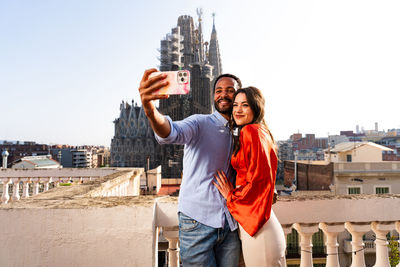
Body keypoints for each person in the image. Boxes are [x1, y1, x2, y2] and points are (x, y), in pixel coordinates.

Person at [138, 68, 242, 267]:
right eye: (218, 90)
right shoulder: (200, 123)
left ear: (239, 95)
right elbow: (170, 132)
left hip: (229, 226)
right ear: (212, 95)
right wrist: (150, 109)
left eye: (230, 90)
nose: (223, 94)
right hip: (197, 225)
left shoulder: (241, 133)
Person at [213, 87, 286, 266]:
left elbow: (258, 183)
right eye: (235, 105)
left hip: (259, 231)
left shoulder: (251, 132)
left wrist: (231, 195)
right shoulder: (261, 131)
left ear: (256, 108)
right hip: (263, 227)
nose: (237, 110)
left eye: (244, 105)